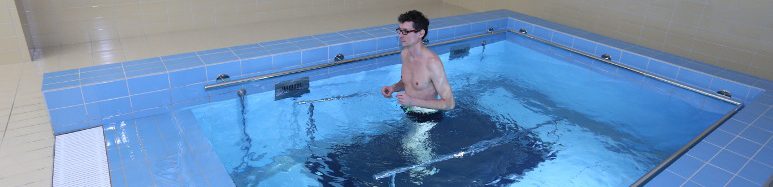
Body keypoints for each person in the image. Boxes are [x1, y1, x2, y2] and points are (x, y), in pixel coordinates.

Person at [381, 10, 455, 115]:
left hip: (428, 116)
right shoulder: (405, 53)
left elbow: (449, 104)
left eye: (406, 31)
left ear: (420, 33)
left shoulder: (432, 63)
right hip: (408, 109)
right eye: (400, 30)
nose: (400, 35)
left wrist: (412, 101)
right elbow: (407, 82)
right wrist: (393, 88)